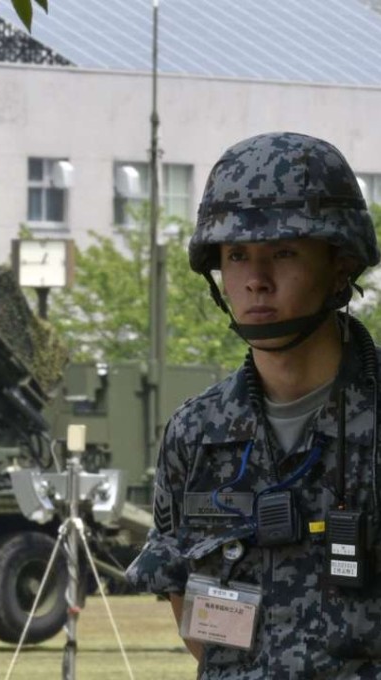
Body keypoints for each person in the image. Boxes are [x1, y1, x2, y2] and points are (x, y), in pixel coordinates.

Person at [126, 131, 381, 679]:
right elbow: (196, 623)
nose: (256, 281)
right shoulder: (196, 435)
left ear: (340, 265)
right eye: (237, 255)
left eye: (283, 252)